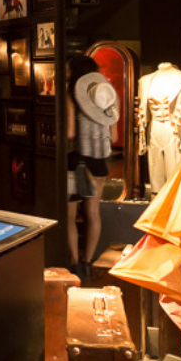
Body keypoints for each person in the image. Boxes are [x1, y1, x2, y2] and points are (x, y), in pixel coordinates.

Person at [66, 55, 119, 280]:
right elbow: (114, 137)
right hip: (98, 163)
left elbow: (69, 133)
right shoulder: (107, 97)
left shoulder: (71, 96)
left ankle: (73, 264)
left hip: (75, 161)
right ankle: (88, 263)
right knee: (93, 213)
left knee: (69, 215)